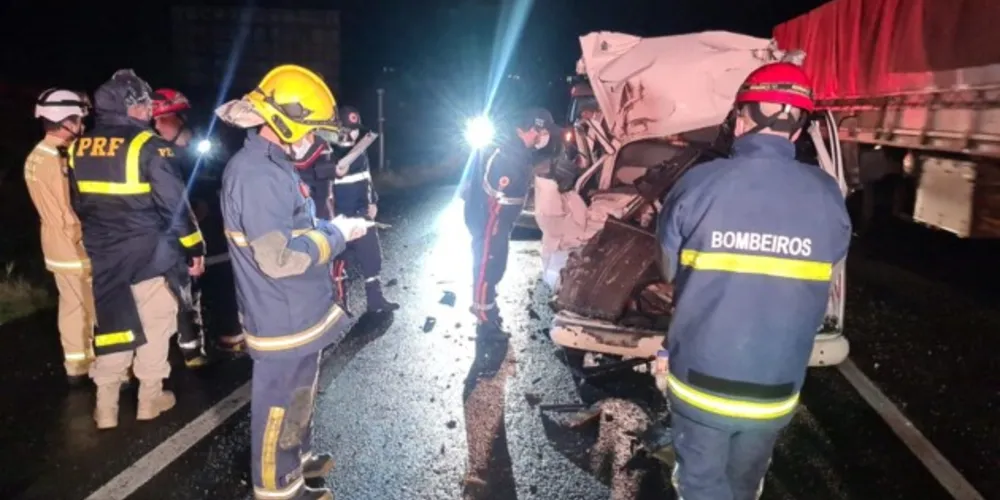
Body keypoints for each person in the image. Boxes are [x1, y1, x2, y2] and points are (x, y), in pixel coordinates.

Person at [656, 62, 852, 500]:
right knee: (745, 486)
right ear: (799, 130)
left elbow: (668, 269)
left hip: (700, 384)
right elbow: (828, 272)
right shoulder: (826, 195)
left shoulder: (699, 184)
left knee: (702, 486)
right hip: (776, 389)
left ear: (741, 118)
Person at [220, 64, 371, 500]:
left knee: (299, 400)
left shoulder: (273, 165)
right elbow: (278, 257)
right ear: (285, 121)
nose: (313, 141)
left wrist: (329, 226)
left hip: (299, 315)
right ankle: (275, 489)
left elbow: (291, 231)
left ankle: (295, 467)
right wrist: (337, 234)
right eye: (311, 130)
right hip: (280, 318)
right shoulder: (257, 174)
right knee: (277, 410)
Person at [67, 69, 207, 429]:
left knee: (112, 326)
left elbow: (80, 204)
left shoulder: (79, 147)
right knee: (156, 325)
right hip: (150, 255)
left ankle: (106, 407)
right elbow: (175, 208)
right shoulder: (149, 146)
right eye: (145, 102)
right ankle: (149, 399)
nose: (150, 109)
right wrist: (195, 247)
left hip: (105, 256)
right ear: (132, 106)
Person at [462, 108, 558, 339]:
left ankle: (488, 308)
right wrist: (494, 229)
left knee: (495, 265)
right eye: (541, 131)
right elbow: (494, 196)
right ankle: (484, 319)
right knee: (488, 265)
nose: (543, 136)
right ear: (529, 128)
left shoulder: (519, 151)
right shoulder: (507, 154)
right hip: (490, 221)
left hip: (498, 222)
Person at [24, 88, 95, 384]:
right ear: (66, 121)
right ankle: (105, 369)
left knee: (71, 307)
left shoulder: (37, 155)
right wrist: (86, 238)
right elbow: (68, 211)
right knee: (93, 307)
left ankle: (76, 366)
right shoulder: (58, 160)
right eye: (78, 119)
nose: (81, 126)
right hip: (72, 247)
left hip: (53, 245)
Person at [150, 88, 209, 367]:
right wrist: (194, 246)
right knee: (183, 290)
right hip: (165, 240)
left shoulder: (165, 152)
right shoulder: (156, 154)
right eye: (177, 116)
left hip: (149, 242)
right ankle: (191, 352)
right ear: (158, 120)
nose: (185, 122)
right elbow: (176, 207)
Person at [326, 106, 397, 314]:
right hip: (340, 219)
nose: (353, 134)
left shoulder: (360, 150)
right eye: (347, 129)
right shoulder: (328, 154)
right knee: (340, 265)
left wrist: (373, 202)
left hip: (363, 214)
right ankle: (340, 309)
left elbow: (366, 179)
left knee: (372, 258)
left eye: (355, 129)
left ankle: (376, 301)